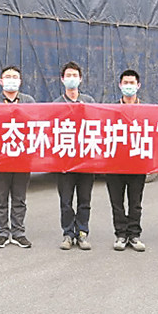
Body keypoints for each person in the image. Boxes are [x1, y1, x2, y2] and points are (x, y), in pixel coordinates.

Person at [0, 65, 35, 249]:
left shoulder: (29, 102)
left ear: (20, 81)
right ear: (1, 81)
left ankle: (18, 232)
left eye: (15, 77)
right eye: (8, 77)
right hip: (1, 158)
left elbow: (35, 126)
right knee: (0, 198)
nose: (11, 80)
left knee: (19, 198)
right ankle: (2, 233)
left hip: (23, 158)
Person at [55, 61, 96, 251]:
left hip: (86, 160)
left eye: (75, 76)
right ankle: (68, 233)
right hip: (64, 161)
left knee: (84, 200)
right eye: (68, 76)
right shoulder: (56, 104)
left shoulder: (89, 101)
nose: (71, 79)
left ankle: (82, 233)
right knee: (66, 201)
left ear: (80, 79)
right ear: (62, 79)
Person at [106, 69, 146, 252]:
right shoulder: (110, 110)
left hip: (138, 164)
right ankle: (121, 234)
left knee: (135, 202)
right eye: (126, 83)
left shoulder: (147, 111)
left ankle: (134, 235)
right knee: (117, 202)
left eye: (132, 83)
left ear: (138, 85)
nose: (129, 86)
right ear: (120, 85)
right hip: (115, 164)